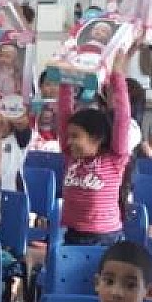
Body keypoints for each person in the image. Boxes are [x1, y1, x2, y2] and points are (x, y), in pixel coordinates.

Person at [57, 45, 135, 244]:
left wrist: (117, 75)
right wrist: (67, 77)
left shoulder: (114, 159)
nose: (69, 142)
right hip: (74, 234)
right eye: (69, 136)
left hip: (105, 238)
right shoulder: (71, 156)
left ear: (96, 138)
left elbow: (123, 117)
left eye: (76, 136)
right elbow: (64, 112)